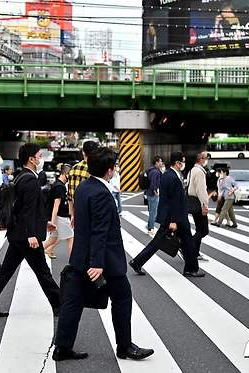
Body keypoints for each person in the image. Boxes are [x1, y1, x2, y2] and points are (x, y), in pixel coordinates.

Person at [54, 147, 154, 362]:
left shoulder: (84, 187)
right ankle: (125, 346)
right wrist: (97, 263)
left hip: (81, 256)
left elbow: (83, 223)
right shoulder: (101, 193)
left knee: (73, 302)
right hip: (104, 259)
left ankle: (62, 348)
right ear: (110, 170)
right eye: (115, 166)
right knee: (123, 297)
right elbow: (100, 230)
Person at [0, 143, 60, 318]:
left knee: (6, 271)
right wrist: (32, 233)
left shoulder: (21, 176)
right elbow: (27, 211)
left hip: (18, 234)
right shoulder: (30, 180)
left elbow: (22, 208)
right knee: (43, 271)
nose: (41, 159)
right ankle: (60, 305)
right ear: (31, 159)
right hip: (25, 236)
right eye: (39, 156)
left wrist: (44, 223)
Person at [129, 152, 204, 278]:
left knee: (182, 242)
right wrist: (173, 221)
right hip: (175, 217)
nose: (183, 164)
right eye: (182, 162)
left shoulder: (170, 174)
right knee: (175, 242)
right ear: (177, 163)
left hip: (174, 216)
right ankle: (191, 269)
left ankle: (137, 262)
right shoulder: (172, 177)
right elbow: (172, 201)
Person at [43, 164, 74, 259]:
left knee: (52, 240)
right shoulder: (59, 187)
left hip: (59, 217)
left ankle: (32, 254)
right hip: (61, 217)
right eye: (71, 175)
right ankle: (73, 263)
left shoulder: (58, 185)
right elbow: (55, 206)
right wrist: (52, 222)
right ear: (66, 173)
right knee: (71, 238)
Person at [67, 141, 100, 225]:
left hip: (78, 211)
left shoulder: (74, 168)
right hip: (93, 211)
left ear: (83, 152)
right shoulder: (96, 169)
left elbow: (70, 195)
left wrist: (72, 215)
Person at [187, 151, 210, 261]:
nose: (207, 160)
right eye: (206, 157)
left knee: (199, 229)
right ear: (200, 159)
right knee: (203, 230)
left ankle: (195, 252)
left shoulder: (192, 170)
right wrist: (204, 205)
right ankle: (187, 248)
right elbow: (201, 190)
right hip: (199, 204)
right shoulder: (200, 172)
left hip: (193, 202)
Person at [145, 156, 163, 236]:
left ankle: (149, 225)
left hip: (149, 193)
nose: (161, 163)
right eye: (160, 161)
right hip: (153, 194)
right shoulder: (155, 172)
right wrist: (155, 191)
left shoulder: (151, 170)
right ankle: (150, 228)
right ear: (156, 162)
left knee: (151, 211)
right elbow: (153, 183)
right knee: (153, 213)